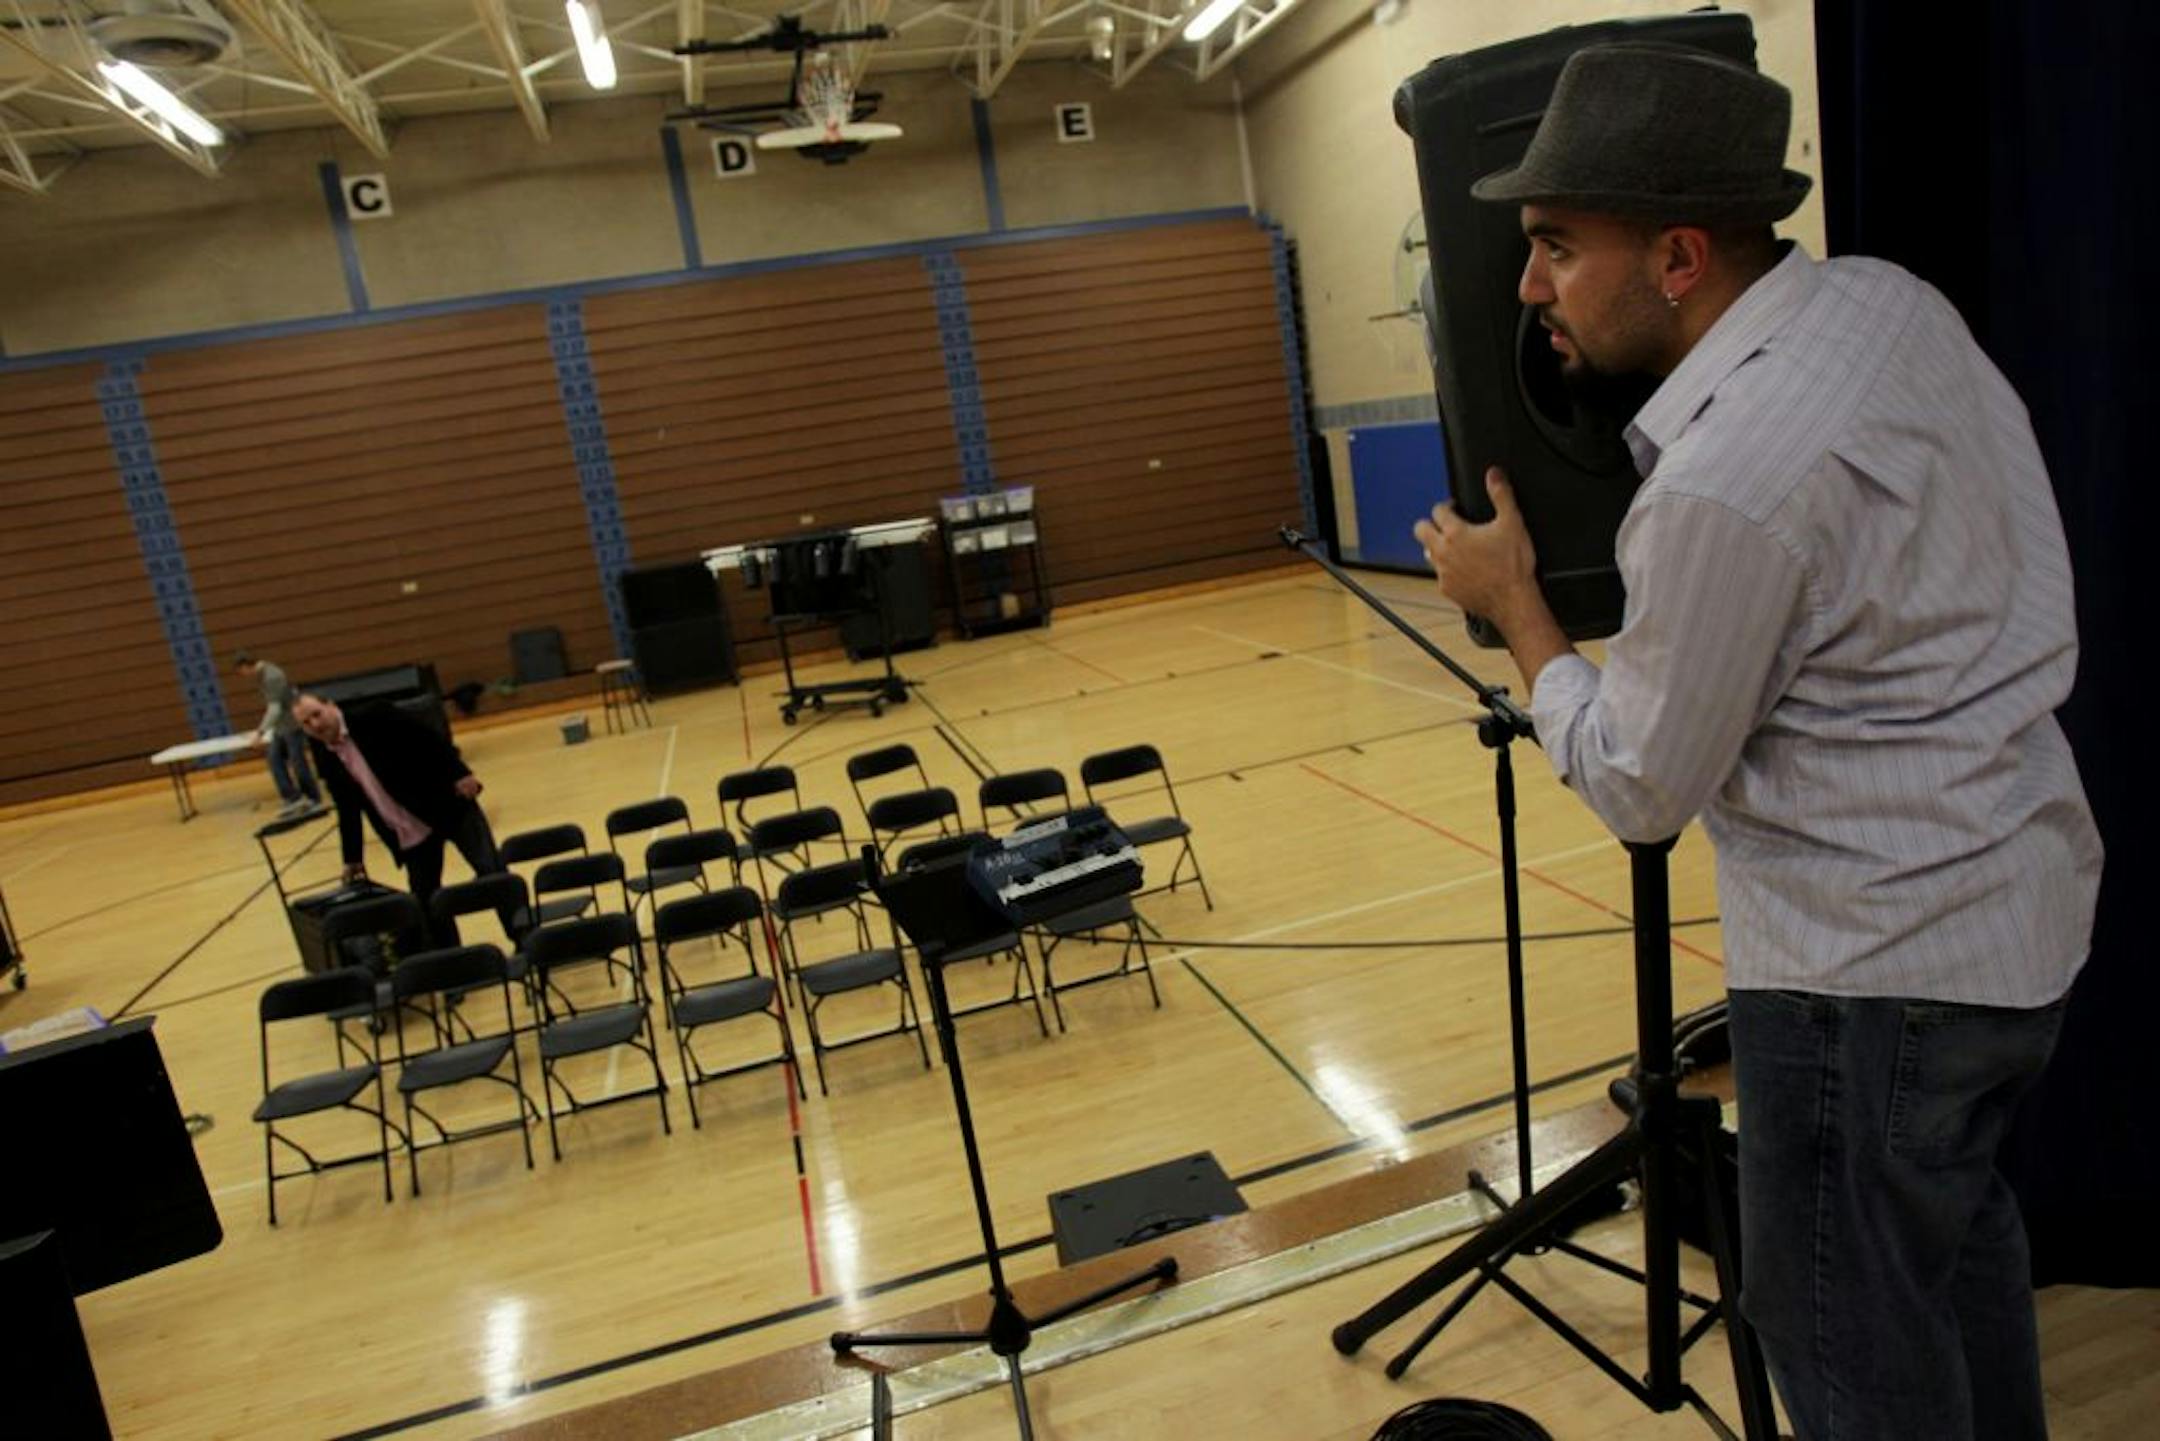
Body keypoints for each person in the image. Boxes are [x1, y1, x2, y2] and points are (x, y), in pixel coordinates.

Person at [1416, 43, 2103, 1441]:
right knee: (1957, 1262)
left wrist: (1521, 614)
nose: (1532, 286)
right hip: (2016, 920)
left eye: (1555, 246)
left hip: (1875, 978)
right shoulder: (1886, 306)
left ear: (1676, 256)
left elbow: (1642, 782)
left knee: (1839, 1331)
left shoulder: (1728, 479)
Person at [292, 692, 507, 943]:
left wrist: (460, 773)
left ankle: (522, 934)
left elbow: (429, 739)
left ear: (331, 705)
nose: (315, 725)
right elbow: (346, 806)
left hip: (447, 805)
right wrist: (352, 858)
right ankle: (454, 961)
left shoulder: (376, 715)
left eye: (317, 714)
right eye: (306, 723)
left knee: (492, 872)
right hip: (408, 831)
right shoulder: (323, 752)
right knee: (426, 902)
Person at [235, 651, 322, 818]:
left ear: (245, 666)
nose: (243, 676)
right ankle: (292, 797)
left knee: (298, 763)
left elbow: (275, 708)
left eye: (241, 672)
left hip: (292, 723)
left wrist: (259, 732)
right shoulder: (262, 674)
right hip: (281, 727)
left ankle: (312, 798)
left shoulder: (271, 676)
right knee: (274, 759)